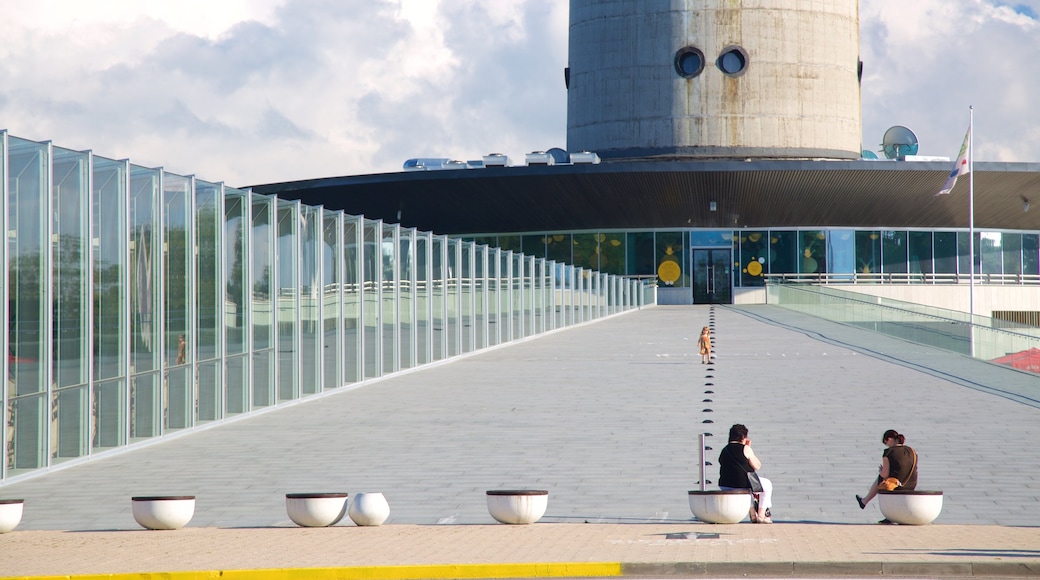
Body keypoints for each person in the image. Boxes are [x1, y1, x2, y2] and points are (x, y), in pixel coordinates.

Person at [855, 429, 918, 521]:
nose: (886, 445)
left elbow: (885, 474)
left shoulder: (889, 452)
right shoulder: (911, 451)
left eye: (885, 443)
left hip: (896, 486)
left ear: (889, 439)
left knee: (882, 479)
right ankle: (864, 501)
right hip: (911, 484)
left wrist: (881, 471)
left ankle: (865, 501)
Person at [719, 423, 773, 523]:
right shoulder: (745, 449)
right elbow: (757, 466)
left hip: (725, 485)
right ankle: (761, 516)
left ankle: (753, 515)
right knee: (767, 485)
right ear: (743, 437)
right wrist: (748, 447)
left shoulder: (724, 450)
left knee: (748, 488)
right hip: (742, 485)